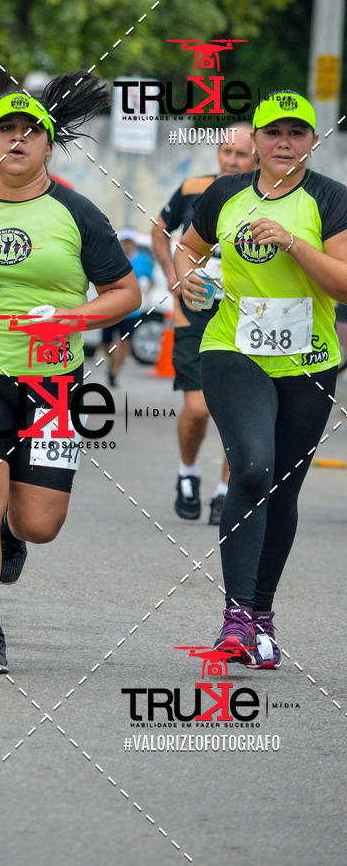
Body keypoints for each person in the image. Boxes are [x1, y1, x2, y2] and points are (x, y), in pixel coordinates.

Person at [0, 72, 141, 673]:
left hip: (52, 383)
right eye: (4, 129)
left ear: (46, 143)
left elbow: (126, 292)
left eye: (28, 131)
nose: (16, 139)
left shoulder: (77, 211)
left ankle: (11, 533)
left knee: (39, 524)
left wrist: (73, 316)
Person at [174, 90, 347, 668]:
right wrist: (185, 279)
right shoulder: (224, 194)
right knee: (252, 466)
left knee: (285, 489)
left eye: (296, 133)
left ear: (311, 142)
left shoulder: (330, 199)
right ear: (256, 141)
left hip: (309, 359)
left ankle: (263, 615)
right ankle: (236, 618)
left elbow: (343, 286)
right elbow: (187, 249)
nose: (283, 143)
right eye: (273, 133)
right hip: (234, 350)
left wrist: (294, 243)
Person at [152, 125, 256, 525]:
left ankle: (224, 491)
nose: (231, 160)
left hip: (245, 315)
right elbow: (160, 229)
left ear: (256, 158)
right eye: (226, 151)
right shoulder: (194, 187)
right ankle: (188, 473)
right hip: (194, 310)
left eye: (241, 154)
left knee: (236, 409)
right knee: (197, 408)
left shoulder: (263, 196)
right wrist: (171, 273)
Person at [101, 227, 154, 387]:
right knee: (106, 345)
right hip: (110, 308)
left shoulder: (143, 260)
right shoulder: (112, 257)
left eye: (129, 242)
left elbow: (151, 279)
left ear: (134, 243)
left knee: (125, 343)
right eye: (124, 242)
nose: (127, 245)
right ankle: (113, 363)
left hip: (131, 310)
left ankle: (114, 372)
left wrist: (146, 291)